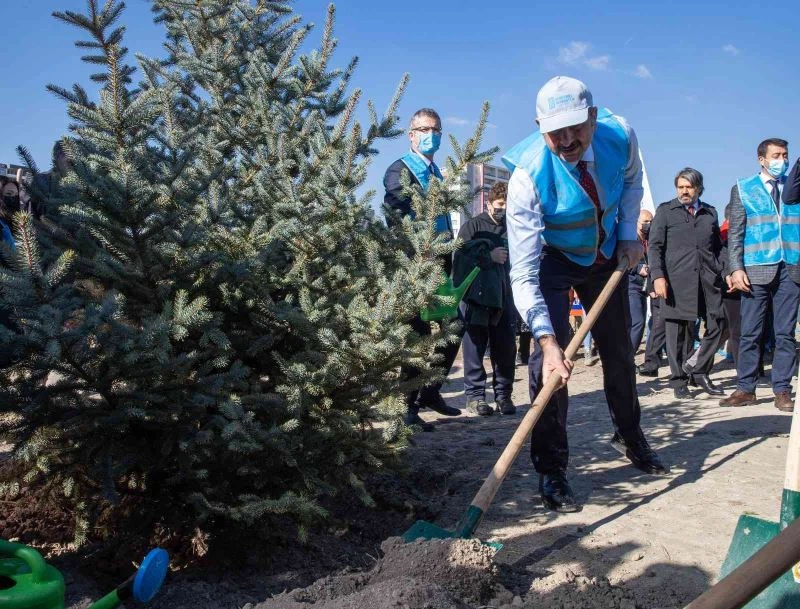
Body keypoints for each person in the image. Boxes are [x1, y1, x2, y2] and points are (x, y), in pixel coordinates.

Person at [504, 76, 669, 513]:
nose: (568, 139)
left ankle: (630, 436)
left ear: (593, 118)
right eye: (556, 131)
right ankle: (552, 469)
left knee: (619, 353)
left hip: (606, 256)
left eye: (577, 127)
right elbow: (522, 273)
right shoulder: (527, 176)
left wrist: (631, 234)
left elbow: (633, 182)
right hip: (553, 260)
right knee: (550, 368)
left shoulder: (621, 134)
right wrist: (546, 339)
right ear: (540, 128)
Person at [383, 108, 462, 430]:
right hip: (415, 264)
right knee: (416, 336)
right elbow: (396, 213)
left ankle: (431, 391)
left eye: (437, 129)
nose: (432, 134)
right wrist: (421, 249)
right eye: (424, 129)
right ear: (411, 134)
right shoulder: (399, 169)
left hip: (440, 264)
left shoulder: (436, 172)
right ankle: (407, 408)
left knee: (455, 324)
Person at [720, 139, 800, 412]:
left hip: (791, 268)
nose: (782, 160)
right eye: (776, 155)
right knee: (750, 332)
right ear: (761, 159)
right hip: (755, 270)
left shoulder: (795, 187)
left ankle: (782, 390)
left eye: (785, 155)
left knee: (785, 334)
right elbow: (735, 233)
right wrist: (736, 267)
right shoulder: (744, 188)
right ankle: (746, 388)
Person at [648, 168, 726, 399]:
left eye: (689, 187)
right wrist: (657, 276)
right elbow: (654, 247)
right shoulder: (665, 211)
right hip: (676, 281)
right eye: (680, 187)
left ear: (698, 188)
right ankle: (678, 380)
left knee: (718, 322)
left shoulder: (709, 213)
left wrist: (729, 270)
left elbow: (718, 247)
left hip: (707, 281)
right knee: (678, 333)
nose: (684, 191)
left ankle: (698, 368)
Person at [453, 181, 517, 416]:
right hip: (477, 300)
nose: (503, 210)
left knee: (506, 349)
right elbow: (459, 261)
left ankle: (504, 396)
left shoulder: (513, 227)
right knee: (475, 347)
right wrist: (488, 257)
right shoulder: (472, 226)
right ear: (489, 203)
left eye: (507, 206)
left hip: (506, 297)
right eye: (500, 205)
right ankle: (475, 397)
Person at [628, 209, 653, 353]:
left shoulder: (649, 240)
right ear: (637, 222)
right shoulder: (630, 239)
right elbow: (622, 261)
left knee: (639, 322)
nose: (648, 224)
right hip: (630, 284)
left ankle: (628, 357)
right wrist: (638, 268)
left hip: (643, 286)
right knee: (637, 322)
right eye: (645, 222)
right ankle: (628, 357)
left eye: (651, 221)